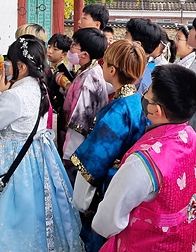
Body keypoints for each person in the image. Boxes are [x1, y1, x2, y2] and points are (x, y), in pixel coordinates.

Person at [0, 36, 84, 252]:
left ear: (21, 66)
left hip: (10, 162)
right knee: (34, 211)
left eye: (10, 62)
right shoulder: (39, 86)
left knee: (3, 212)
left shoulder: (15, 96)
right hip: (35, 160)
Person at [92, 65, 196, 252]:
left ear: (157, 111)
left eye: (147, 92)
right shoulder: (195, 141)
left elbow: (107, 221)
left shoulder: (143, 162)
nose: (143, 94)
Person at [72, 40, 147, 252]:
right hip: (135, 187)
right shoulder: (139, 102)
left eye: (104, 63)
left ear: (112, 70)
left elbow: (94, 161)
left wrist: (81, 201)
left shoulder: (115, 112)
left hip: (110, 188)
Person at [62, 28, 109, 179]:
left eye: (75, 45)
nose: (71, 47)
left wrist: (68, 156)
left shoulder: (89, 80)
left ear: (84, 55)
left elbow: (80, 121)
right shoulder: (91, 70)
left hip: (79, 150)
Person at [47, 33, 74, 150]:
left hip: (57, 112)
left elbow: (68, 87)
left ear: (64, 54)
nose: (50, 51)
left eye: (55, 49)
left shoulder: (63, 72)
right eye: (49, 47)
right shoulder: (48, 68)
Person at [124, 18, 162, 94]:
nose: (123, 40)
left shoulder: (134, 76)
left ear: (137, 45)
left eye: (126, 36)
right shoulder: (151, 71)